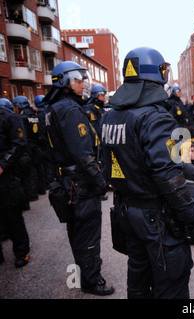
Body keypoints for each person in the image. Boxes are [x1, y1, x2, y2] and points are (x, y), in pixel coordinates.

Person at [100, 47, 194, 299]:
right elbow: (169, 179)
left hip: (127, 211)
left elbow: (105, 167)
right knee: (171, 282)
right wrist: (193, 220)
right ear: (159, 75)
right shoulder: (156, 117)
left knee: (138, 278)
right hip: (155, 217)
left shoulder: (110, 117)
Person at [44, 61, 114, 296]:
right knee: (88, 234)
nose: (84, 83)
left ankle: (85, 275)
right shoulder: (70, 110)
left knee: (77, 232)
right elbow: (83, 154)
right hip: (80, 184)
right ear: (65, 81)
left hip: (66, 181)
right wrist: (100, 181)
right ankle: (93, 281)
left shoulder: (53, 108)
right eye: (78, 79)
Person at [0, 101, 30, 268]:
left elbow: (19, 144)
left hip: (7, 177)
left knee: (13, 216)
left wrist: (3, 165)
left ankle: (21, 251)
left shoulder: (8, 118)